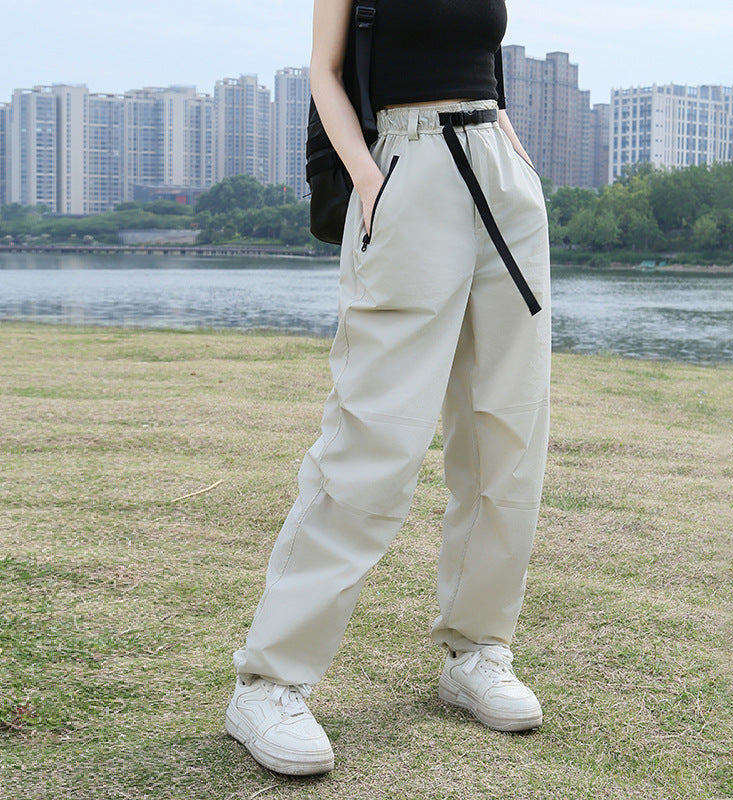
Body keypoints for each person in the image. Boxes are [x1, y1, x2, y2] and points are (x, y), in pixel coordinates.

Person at [225, 0, 551, 776]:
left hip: (500, 175)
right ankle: (269, 681)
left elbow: (485, 62)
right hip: (406, 169)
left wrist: (512, 148)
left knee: (507, 431)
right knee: (375, 434)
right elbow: (325, 70)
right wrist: (369, 177)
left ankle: (478, 650)